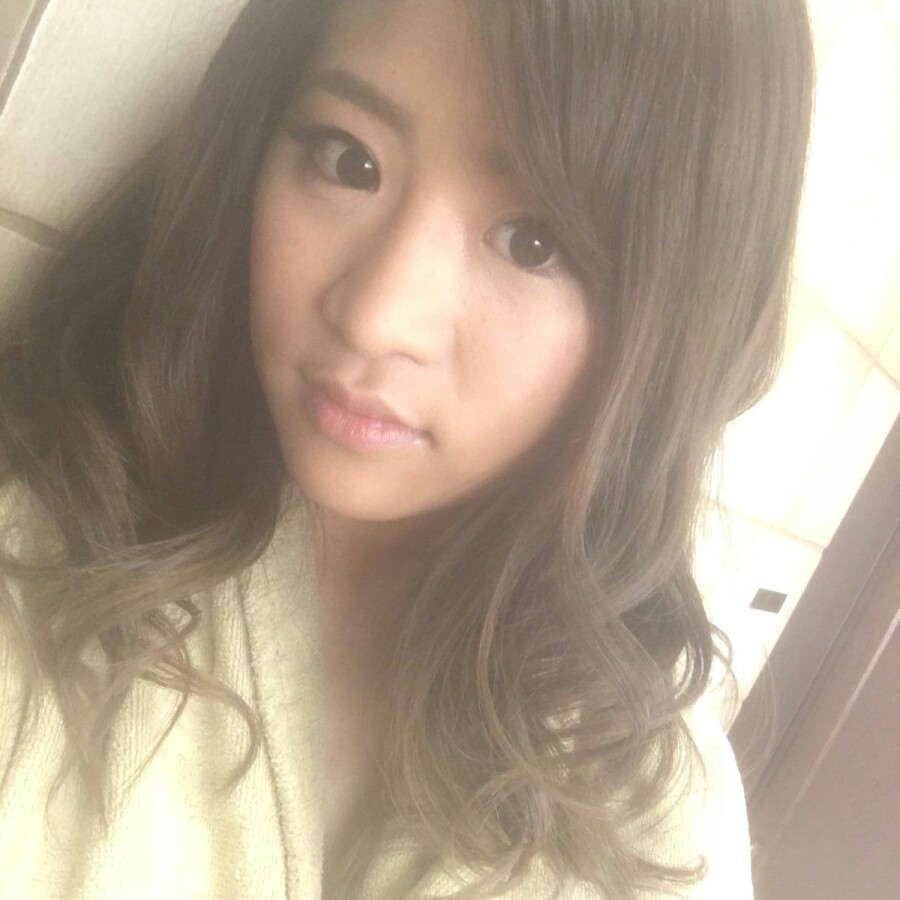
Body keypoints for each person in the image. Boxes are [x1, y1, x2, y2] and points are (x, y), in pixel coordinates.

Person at [0, 0, 813, 897]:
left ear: (675, 328)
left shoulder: (658, 816)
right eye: (349, 160)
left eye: (532, 242)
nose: (376, 314)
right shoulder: (35, 555)